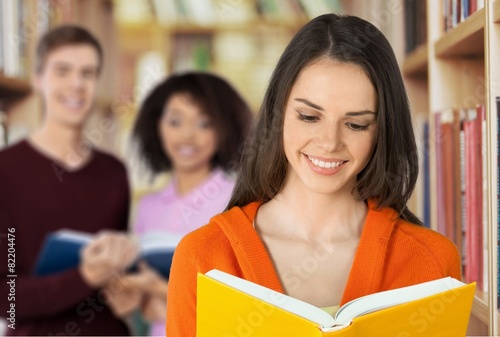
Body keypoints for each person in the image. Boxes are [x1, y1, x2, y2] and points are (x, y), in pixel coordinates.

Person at [165, 13, 462, 337]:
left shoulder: (431, 262)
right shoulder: (203, 257)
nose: (329, 142)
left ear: (382, 130)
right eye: (309, 116)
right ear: (278, 113)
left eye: (356, 124)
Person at [0, 25, 138, 335]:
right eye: (62, 71)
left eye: (87, 74)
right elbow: (6, 299)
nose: (76, 84)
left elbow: (115, 278)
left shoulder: (114, 172)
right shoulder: (5, 171)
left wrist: (126, 292)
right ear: (38, 80)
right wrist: (84, 277)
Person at [105, 72, 253, 336]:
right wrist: (132, 298)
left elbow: (248, 299)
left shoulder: (239, 200)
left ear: (224, 129)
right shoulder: (148, 207)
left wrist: (162, 291)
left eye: (204, 123)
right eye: (175, 121)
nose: (187, 135)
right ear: (157, 126)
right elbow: (146, 308)